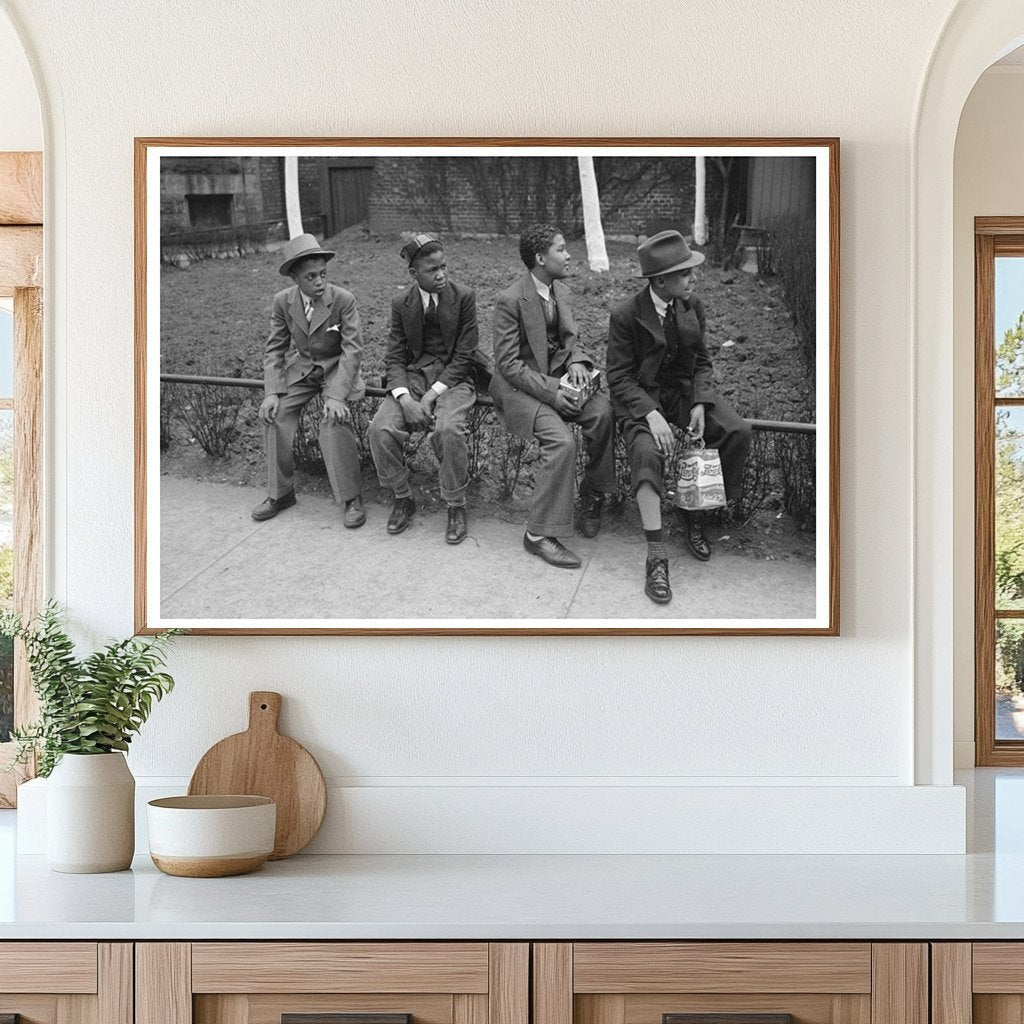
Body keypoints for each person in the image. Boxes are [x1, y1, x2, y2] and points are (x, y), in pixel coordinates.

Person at [606, 230, 752, 604]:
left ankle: (694, 514)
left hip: (682, 391)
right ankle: (656, 556)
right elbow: (618, 377)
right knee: (645, 453)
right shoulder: (625, 315)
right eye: (685, 273)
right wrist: (650, 413)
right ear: (660, 281)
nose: (692, 278)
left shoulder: (691, 305)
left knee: (734, 431)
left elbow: (702, 361)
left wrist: (701, 403)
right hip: (641, 397)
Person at [490, 224, 616, 569]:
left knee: (602, 411)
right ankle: (537, 535)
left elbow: (569, 340)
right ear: (540, 258)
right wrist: (553, 391)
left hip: (555, 378)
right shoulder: (510, 299)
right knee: (561, 442)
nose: (569, 254)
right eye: (561, 249)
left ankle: (592, 495)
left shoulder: (562, 291)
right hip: (520, 388)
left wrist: (576, 362)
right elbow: (508, 365)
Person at [368, 233, 479, 544]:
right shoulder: (401, 304)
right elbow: (394, 355)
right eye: (432, 270)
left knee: (448, 430)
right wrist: (404, 399)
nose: (441, 274)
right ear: (414, 274)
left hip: (454, 379)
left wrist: (430, 397)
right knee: (380, 430)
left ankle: (456, 504)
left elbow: (465, 354)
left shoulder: (464, 297)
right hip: (415, 377)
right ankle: (403, 496)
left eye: (444, 266)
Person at [252, 233, 367, 527]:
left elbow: (352, 350)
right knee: (275, 416)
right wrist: (271, 392)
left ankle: (351, 497)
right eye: (311, 276)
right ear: (294, 278)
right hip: (302, 370)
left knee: (333, 420)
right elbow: (275, 349)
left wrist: (337, 396)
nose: (319, 282)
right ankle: (281, 492)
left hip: (336, 369)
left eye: (323, 275)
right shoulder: (283, 302)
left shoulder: (343, 300)